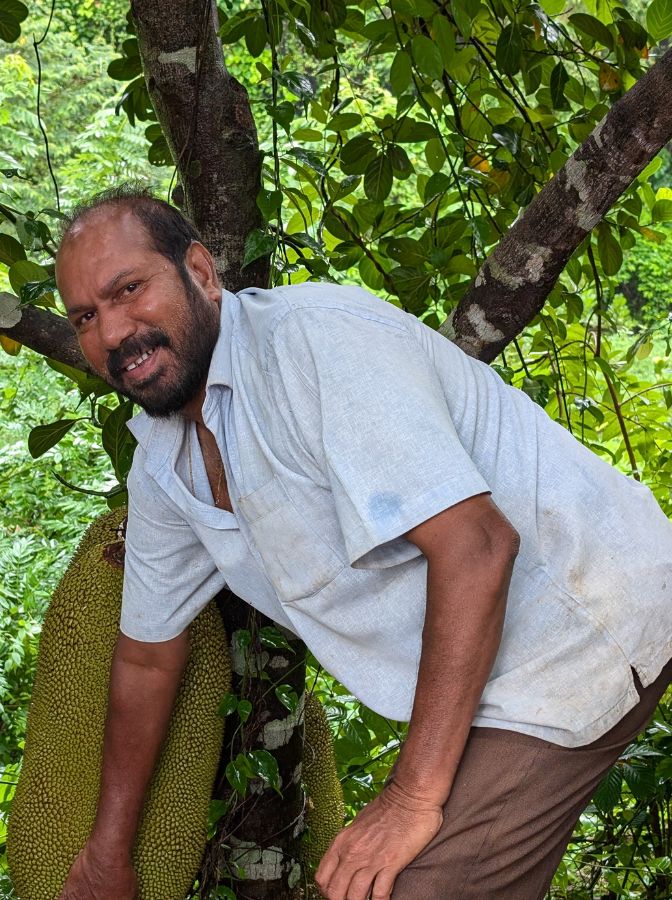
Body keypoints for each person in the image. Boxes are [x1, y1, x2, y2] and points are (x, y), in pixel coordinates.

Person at [51, 188, 672, 900]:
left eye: (129, 289)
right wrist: (108, 853)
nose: (114, 332)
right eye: (86, 316)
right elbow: (147, 657)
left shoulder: (316, 343)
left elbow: (476, 547)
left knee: (412, 890)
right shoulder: (164, 464)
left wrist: (411, 797)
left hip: (581, 621)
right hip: (484, 669)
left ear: (199, 271)